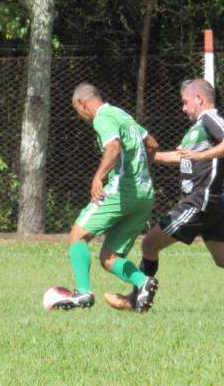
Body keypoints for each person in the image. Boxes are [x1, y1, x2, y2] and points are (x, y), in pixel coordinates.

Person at [104, 78, 224, 310]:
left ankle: (136, 299)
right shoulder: (197, 129)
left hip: (201, 201)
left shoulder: (210, 118)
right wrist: (145, 156)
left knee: (149, 244)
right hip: (210, 203)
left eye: (185, 102)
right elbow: (181, 157)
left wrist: (202, 156)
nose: (183, 107)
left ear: (199, 98)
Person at [51, 83, 159, 312]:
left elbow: (113, 148)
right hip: (145, 194)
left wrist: (98, 177)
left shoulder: (103, 117)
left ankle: (83, 293)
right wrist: (140, 171)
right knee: (109, 257)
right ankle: (143, 281)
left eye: (77, 110)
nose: (80, 116)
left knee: (77, 236)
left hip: (122, 191)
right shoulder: (123, 115)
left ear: (82, 103)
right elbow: (152, 144)